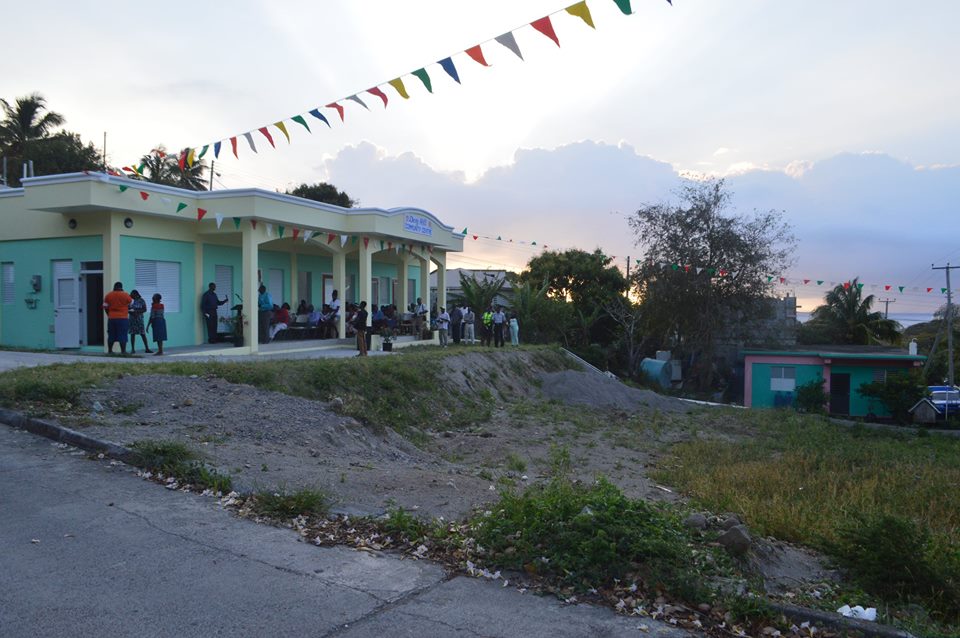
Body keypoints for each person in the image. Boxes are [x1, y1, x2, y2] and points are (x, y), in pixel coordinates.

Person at [103, 281, 132, 355]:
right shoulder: (125, 295)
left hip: (112, 318)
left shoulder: (108, 295)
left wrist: (109, 314)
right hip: (123, 318)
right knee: (123, 334)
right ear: (121, 287)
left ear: (114, 287)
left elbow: (105, 307)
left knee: (111, 334)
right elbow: (130, 303)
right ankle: (123, 351)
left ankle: (110, 351)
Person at [127, 290, 152, 354]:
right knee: (132, 334)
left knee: (142, 333)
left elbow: (145, 309)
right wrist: (131, 312)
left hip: (139, 319)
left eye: (131, 294)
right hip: (132, 319)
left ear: (135, 294)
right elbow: (127, 308)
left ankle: (147, 348)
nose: (130, 295)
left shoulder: (141, 300)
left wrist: (137, 312)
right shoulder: (130, 301)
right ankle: (133, 349)